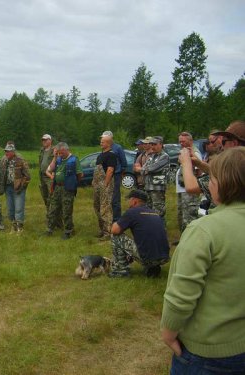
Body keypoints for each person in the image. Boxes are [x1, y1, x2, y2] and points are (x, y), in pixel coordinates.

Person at [161, 147, 245, 374]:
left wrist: (168, 333)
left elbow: (182, 293)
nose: (208, 183)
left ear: (222, 184)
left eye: (212, 178)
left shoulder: (204, 230)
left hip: (208, 354)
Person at [108, 189, 170, 278]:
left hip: (148, 256)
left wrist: (116, 222)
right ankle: (152, 267)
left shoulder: (132, 212)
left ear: (134, 201)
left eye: (129, 200)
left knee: (116, 237)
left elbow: (114, 230)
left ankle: (120, 270)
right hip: (164, 256)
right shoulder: (154, 213)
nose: (128, 202)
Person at [45, 142, 82, 240]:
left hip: (67, 188)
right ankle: (49, 229)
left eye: (61, 153)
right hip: (57, 187)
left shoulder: (74, 160)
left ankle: (68, 231)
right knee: (53, 209)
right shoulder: (58, 159)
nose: (60, 155)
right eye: (59, 153)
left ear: (67, 150)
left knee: (67, 211)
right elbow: (50, 169)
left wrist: (73, 183)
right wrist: (55, 156)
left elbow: (80, 175)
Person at [0, 143, 31, 233]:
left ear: (13, 152)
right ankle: (14, 227)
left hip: (18, 188)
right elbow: (1, 174)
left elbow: (27, 176)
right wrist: (1, 186)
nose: (6, 153)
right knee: (10, 209)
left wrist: (22, 186)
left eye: (8, 151)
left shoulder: (21, 160)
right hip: (8, 188)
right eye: (5, 151)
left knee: (19, 208)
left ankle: (20, 228)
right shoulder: (4, 161)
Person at [175, 131, 202, 235]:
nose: (181, 143)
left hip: (189, 190)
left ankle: (191, 237)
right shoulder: (184, 152)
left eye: (183, 141)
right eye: (180, 141)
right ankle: (183, 237)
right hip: (182, 188)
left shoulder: (195, 153)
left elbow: (198, 172)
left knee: (189, 215)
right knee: (181, 214)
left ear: (191, 141)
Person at [138, 136, 170, 221]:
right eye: (151, 144)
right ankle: (152, 230)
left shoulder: (164, 156)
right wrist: (144, 169)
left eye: (155, 144)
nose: (153, 146)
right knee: (149, 211)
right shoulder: (152, 156)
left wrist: (144, 169)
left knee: (158, 212)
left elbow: (151, 168)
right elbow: (143, 169)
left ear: (161, 145)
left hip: (158, 188)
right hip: (148, 187)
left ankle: (161, 231)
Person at [92, 135, 117, 240]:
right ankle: (102, 230)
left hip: (105, 184)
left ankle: (108, 233)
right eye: (101, 142)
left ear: (108, 143)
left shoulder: (111, 155)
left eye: (103, 142)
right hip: (97, 185)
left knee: (105, 208)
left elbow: (110, 170)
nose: (101, 143)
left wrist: (105, 185)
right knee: (97, 206)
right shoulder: (101, 155)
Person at [101, 131, 127, 222]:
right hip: (106, 175)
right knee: (107, 198)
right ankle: (108, 218)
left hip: (115, 175)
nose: (102, 140)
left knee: (115, 198)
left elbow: (124, 162)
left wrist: (120, 174)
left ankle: (117, 220)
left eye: (104, 139)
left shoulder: (118, 148)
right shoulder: (104, 148)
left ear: (110, 139)